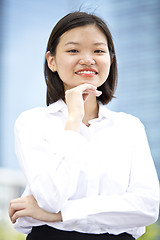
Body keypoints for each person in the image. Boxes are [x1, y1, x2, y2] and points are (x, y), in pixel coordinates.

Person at [9, 11, 159, 240]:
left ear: (111, 59)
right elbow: (51, 198)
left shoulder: (129, 127)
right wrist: (73, 119)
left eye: (98, 50)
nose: (88, 59)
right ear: (52, 61)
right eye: (73, 50)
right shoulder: (32, 123)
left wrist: (61, 215)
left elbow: (146, 208)